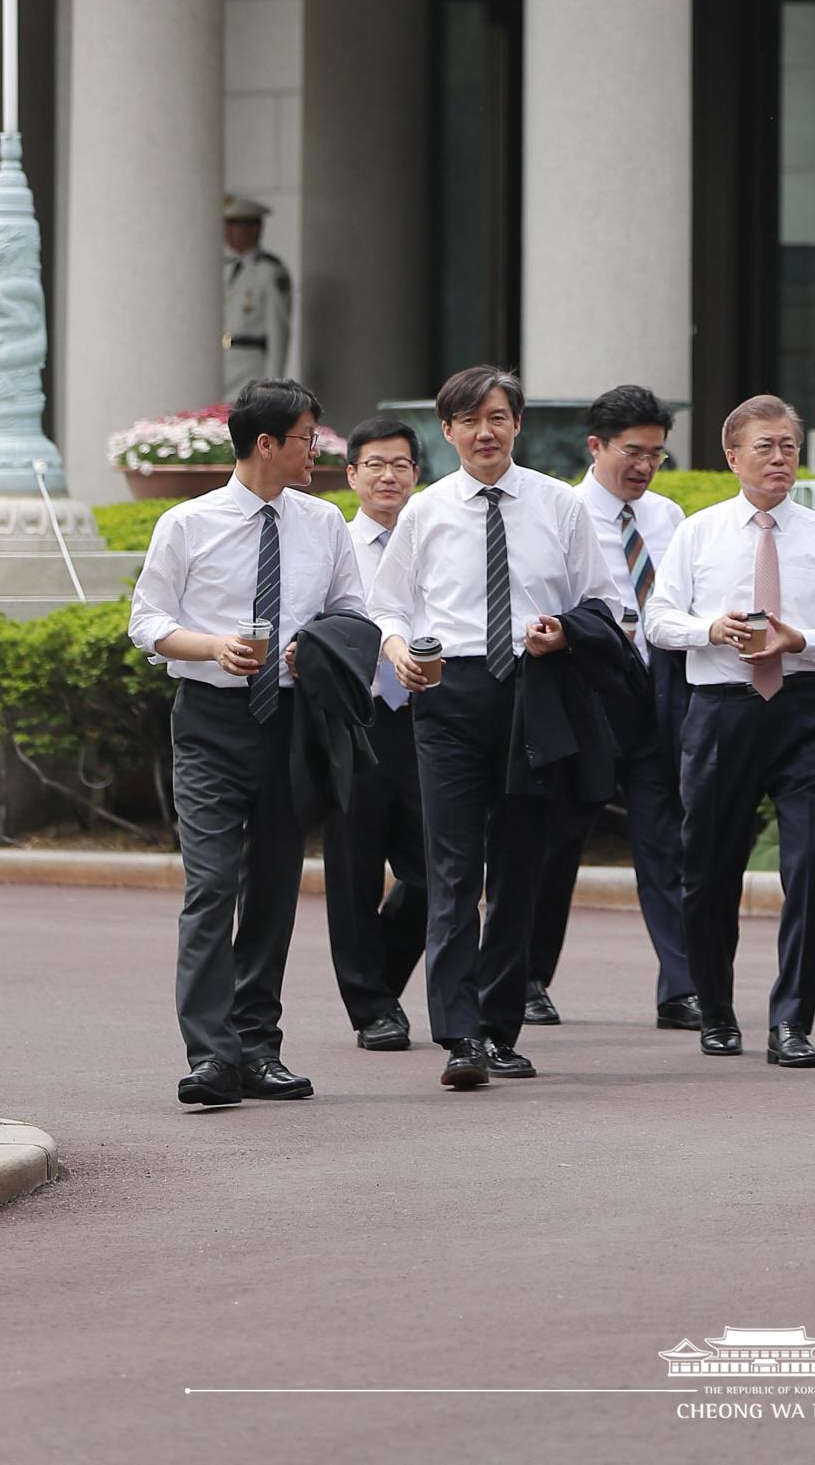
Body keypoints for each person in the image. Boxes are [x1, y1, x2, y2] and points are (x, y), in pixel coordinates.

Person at [369, 365, 622, 1091]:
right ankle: (458, 1037)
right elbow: (388, 608)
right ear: (446, 431)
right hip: (449, 693)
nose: (486, 431)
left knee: (520, 870)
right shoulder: (424, 511)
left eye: (500, 417)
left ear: (518, 425)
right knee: (451, 871)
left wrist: (561, 634)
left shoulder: (558, 505)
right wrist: (397, 653)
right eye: (470, 419)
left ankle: (499, 1029)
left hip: (534, 691)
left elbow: (603, 605)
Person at [128, 376, 364, 1110]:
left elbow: (353, 612)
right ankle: (211, 1056)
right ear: (266, 443)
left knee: (272, 892)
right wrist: (209, 648)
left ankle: (259, 1050)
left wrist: (312, 650)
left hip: (291, 726)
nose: (314, 453)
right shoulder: (187, 525)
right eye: (305, 440)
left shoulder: (325, 523)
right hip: (208, 721)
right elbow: (146, 620)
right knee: (211, 888)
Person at [647, 393, 815, 1067]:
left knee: (807, 868)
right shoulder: (699, 532)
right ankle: (716, 1011)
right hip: (720, 711)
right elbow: (658, 620)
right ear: (733, 456)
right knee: (709, 870)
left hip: (803, 710)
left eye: (789, 447)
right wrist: (708, 629)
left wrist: (800, 639)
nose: (779, 459)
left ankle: (792, 1022)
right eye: (766, 447)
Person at [525, 384, 700, 1033]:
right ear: (594, 446)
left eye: (657, 453)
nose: (646, 466)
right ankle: (527, 979)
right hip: (582, 695)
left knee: (665, 844)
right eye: (634, 451)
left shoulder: (669, 516)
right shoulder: (557, 513)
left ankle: (680, 988)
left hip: (655, 696)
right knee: (557, 844)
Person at [323, 415, 430, 1052]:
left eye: (401, 465)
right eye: (375, 465)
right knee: (354, 872)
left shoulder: (438, 534)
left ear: (418, 474)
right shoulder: (330, 542)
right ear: (353, 475)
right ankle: (372, 1010)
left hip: (428, 718)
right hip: (355, 723)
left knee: (436, 873)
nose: (388, 476)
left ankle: (380, 981)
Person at [222, 193, 292, 397]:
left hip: (250, 367)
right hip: (218, 365)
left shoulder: (269, 271)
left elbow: (278, 332)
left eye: (236, 225)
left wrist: (272, 385)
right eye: (228, 224)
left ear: (255, 229)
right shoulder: (221, 268)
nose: (228, 231)